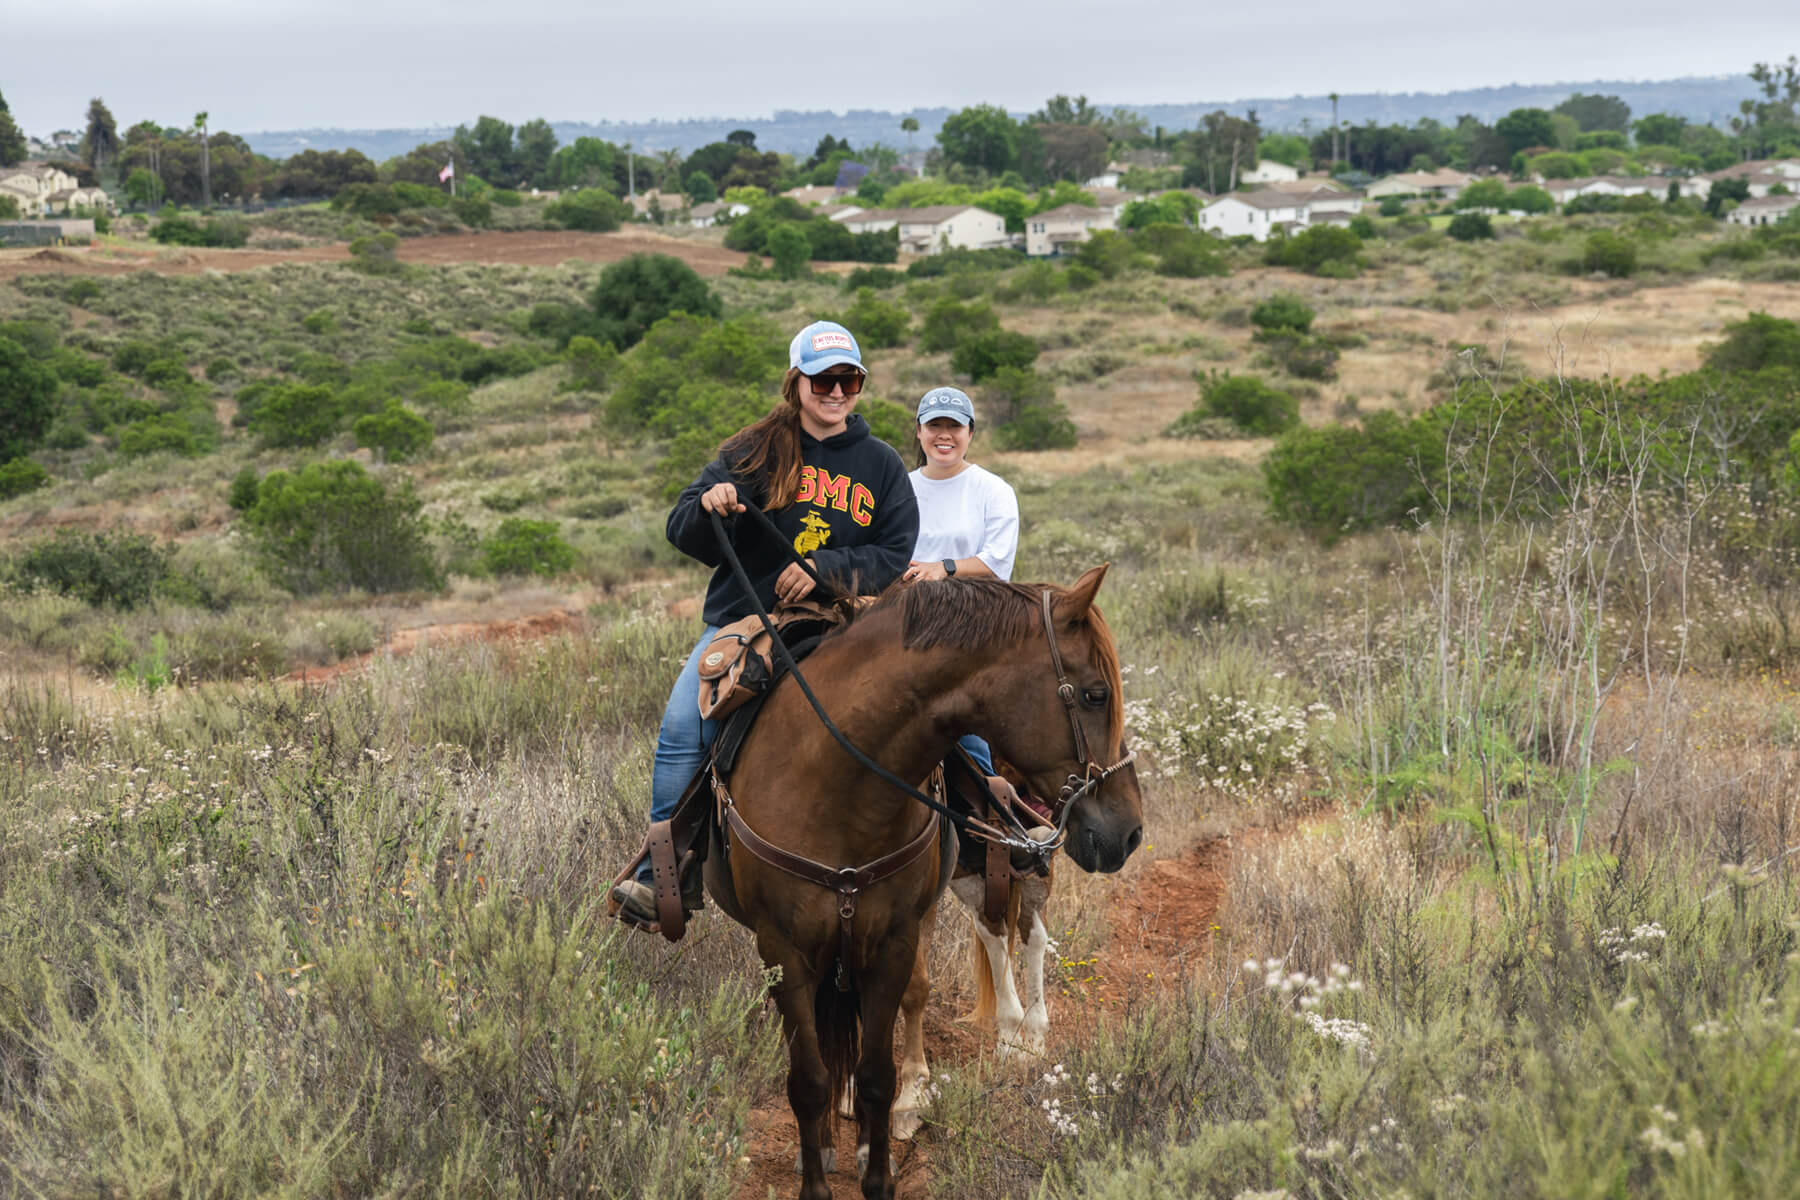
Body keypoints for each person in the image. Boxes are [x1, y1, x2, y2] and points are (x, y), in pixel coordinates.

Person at [613, 320, 920, 924]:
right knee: (683, 728)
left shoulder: (881, 463)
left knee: (928, 711)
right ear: (796, 382)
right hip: (747, 619)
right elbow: (681, 526)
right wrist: (710, 506)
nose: (836, 392)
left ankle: (974, 845)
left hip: (844, 621)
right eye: (823, 380)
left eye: (848, 379)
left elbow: (895, 552)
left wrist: (825, 568)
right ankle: (665, 878)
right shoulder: (750, 449)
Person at [900, 386, 1045, 830]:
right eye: (935, 426)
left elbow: (996, 563)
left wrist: (943, 567)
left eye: (954, 427)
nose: (945, 436)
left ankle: (994, 816)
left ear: (970, 433)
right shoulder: (901, 490)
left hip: (971, 624)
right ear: (919, 431)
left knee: (961, 717)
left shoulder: (992, 490)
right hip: (903, 620)